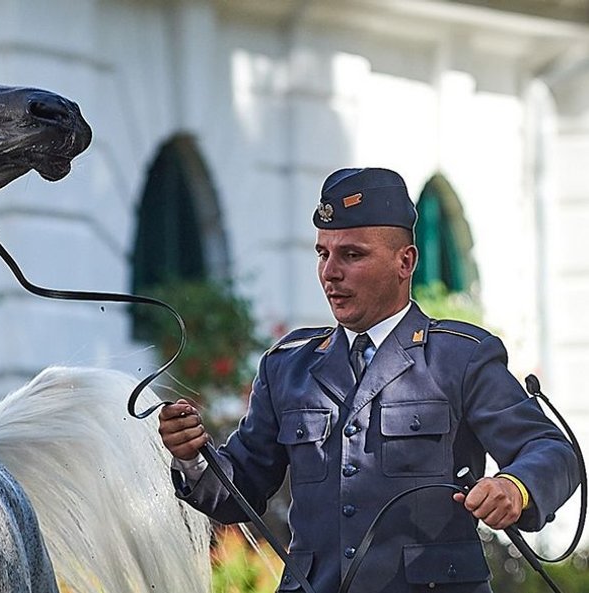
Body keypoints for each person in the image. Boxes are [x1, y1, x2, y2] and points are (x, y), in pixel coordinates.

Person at [158, 167, 579, 593]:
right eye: (323, 254)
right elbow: (240, 487)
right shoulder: (288, 366)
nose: (330, 273)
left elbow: (551, 450)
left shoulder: (460, 357)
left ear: (405, 261)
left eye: (352, 255)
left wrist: (515, 487)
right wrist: (192, 455)